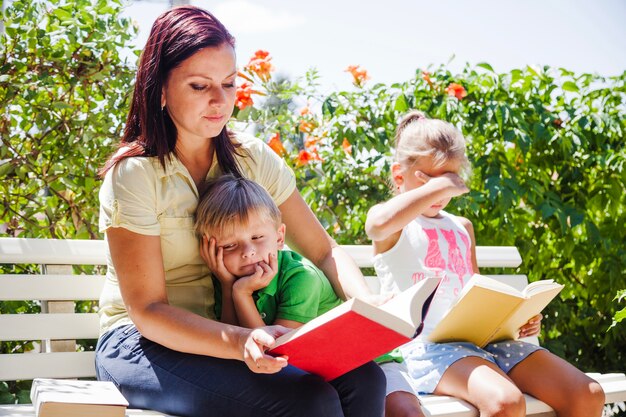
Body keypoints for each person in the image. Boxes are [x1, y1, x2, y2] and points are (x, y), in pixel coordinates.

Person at [95, 5, 385, 417]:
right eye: (199, 86)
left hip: (240, 334)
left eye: (229, 84)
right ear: (160, 88)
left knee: (366, 379)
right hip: (140, 344)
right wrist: (238, 341)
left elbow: (323, 250)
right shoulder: (135, 175)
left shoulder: (252, 158)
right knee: (308, 399)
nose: (219, 100)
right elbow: (149, 312)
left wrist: (371, 309)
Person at [365, 111, 605, 417]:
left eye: (451, 180)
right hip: (425, 349)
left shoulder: (461, 226)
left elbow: (476, 292)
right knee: (505, 402)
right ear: (399, 176)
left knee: (588, 394)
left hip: (484, 345)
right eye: (433, 181)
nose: (445, 191)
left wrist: (516, 318)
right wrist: (436, 188)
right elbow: (376, 226)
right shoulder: (397, 225)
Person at [194, 174, 342, 328]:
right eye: (229, 246)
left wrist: (242, 294)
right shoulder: (226, 278)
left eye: (257, 237)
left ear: (279, 238)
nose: (248, 252)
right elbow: (232, 340)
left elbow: (272, 349)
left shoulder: (301, 277)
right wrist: (227, 287)